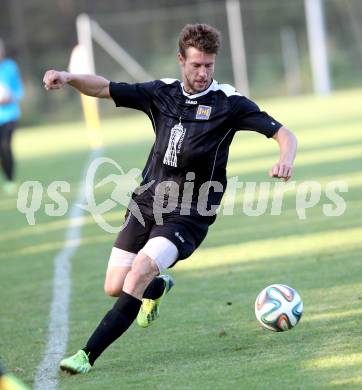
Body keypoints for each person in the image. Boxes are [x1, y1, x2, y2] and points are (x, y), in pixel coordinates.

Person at [43, 23, 297, 374]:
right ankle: (157, 289)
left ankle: (86, 355)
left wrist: (286, 158)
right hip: (147, 202)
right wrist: (69, 76)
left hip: (191, 212)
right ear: (181, 60)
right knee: (115, 286)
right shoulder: (161, 93)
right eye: (196, 65)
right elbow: (103, 87)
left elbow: (284, 133)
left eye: (209, 65)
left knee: (139, 271)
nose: (203, 72)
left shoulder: (229, 103)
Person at [0, 38, 24, 194]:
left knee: (5, 146)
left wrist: (9, 97)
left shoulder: (10, 67)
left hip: (9, 115)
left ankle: (9, 180)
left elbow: (19, 91)